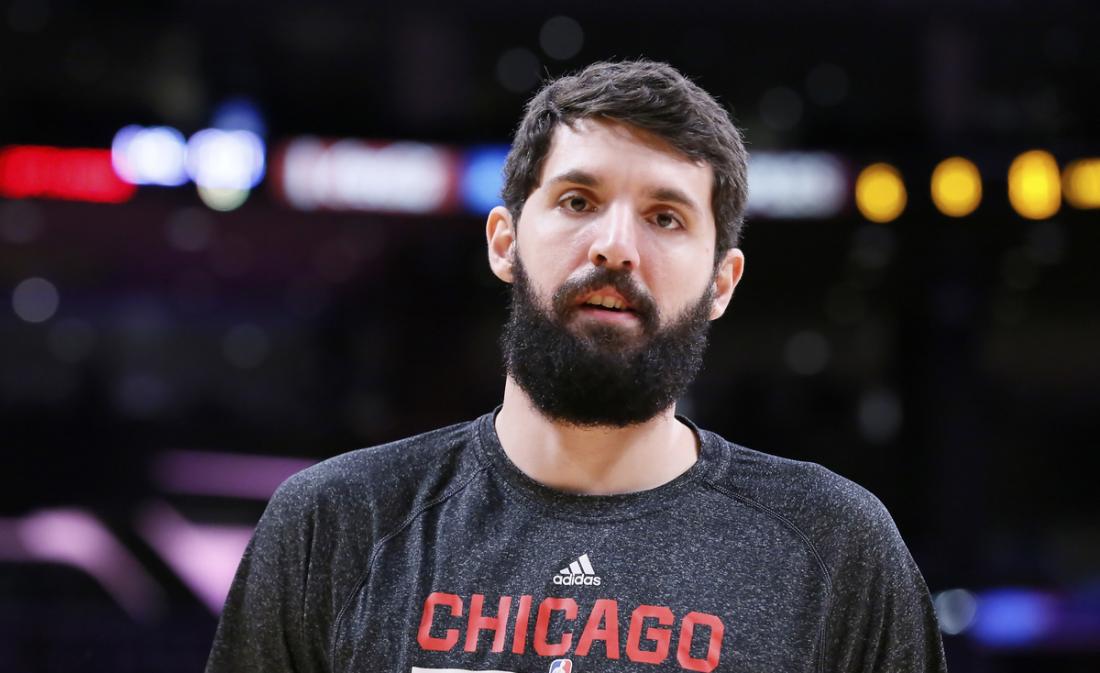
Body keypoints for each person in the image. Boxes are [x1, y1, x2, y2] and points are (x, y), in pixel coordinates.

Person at [205, 60, 948, 673]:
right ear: (505, 242)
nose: (615, 246)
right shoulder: (333, 525)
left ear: (722, 283)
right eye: (577, 200)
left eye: (665, 217)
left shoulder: (837, 548)